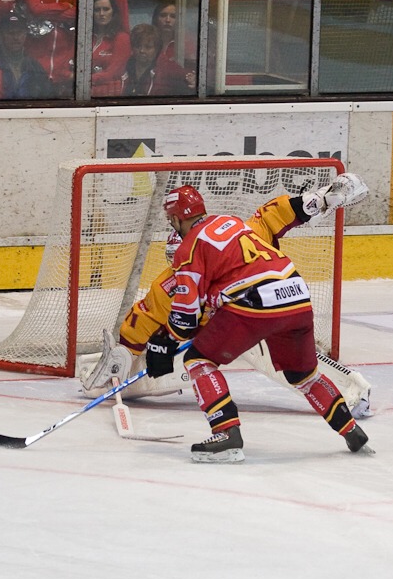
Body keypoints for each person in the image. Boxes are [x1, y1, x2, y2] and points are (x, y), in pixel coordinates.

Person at [79, 174, 372, 420]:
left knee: (281, 361)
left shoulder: (220, 245)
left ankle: (348, 393)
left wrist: (319, 199)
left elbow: (271, 216)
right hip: (231, 328)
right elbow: (140, 322)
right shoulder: (172, 282)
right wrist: (124, 355)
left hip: (250, 318)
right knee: (182, 359)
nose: (181, 262)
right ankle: (113, 383)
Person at [144, 182, 370, 462]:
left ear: (178, 218)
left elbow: (186, 317)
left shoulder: (188, 248)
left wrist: (164, 340)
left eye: (172, 220)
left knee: (198, 361)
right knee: (303, 376)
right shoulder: (231, 223)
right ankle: (351, 430)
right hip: (296, 295)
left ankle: (226, 435)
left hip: (255, 301)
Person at [0, 13, 52, 99]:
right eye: (11, 33)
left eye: (19, 32)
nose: (16, 37)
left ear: (25, 34)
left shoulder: (35, 67)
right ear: (1, 35)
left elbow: (46, 96)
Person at [21, 0, 77, 97]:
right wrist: (65, 5)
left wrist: (47, 13)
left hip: (64, 75)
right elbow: (36, 9)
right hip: (35, 74)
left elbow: (78, 12)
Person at [120, 24, 193, 96]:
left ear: (157, 49)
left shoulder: (167, 68)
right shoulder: (124, 66)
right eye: (138, 46)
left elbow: (189, 78)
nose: (142, 50)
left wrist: (193, 80)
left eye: (148, 47)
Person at [90, 0, 130, 97]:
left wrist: (80, 78)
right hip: (86, 92)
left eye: (106, 9)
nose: (101, 14)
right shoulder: (87, 36)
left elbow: (112, 72)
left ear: (113, 11)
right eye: (97, 10)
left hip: (111, 95)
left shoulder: (122, 38)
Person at [152, 0, 196, 72]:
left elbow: (191, 69)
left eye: (173, 16)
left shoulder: (186, 43)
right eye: (163, 15)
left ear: (179, 20)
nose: (167, 20)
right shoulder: (148, 40)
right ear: (155, 19)